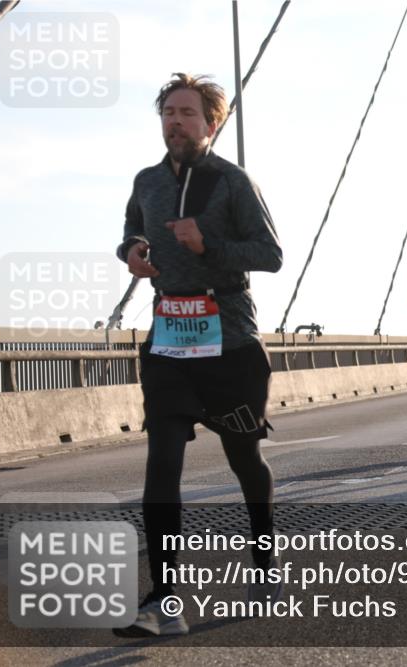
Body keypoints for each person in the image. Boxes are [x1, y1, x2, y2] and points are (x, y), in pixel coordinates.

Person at [114, 74, 283, 637]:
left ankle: (265, 565)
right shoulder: (145, 181)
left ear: (212, 124)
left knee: (244, 461)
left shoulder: (231, 182)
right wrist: (134, 251)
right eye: (168, 112)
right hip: (167, 341)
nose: (175, 121)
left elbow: (271, 254)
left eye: (187, 113)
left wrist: (206, 244)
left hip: (230, 345)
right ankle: (164, 601)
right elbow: (130, 233)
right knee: (162, 463)